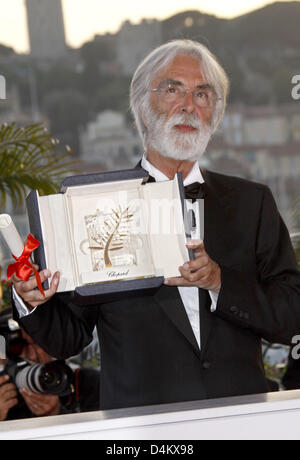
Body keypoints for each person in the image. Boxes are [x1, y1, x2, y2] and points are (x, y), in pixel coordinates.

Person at [11, 39, 300, 410]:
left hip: (241, 419)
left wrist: (220, 283)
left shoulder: (252, 202)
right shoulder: (94, 205)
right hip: (141, 427)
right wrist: (30, 300)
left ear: (216, 112)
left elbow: (292, 313)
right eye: (172, 89)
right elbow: (69, 337)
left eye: (202, 94)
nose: (188, 106)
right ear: (142, 106)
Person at [0, 322, 100, 420]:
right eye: (18, 346)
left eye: (38, 342)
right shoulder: (4, 388)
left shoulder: (86, 382)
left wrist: (56, 413)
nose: (32, 355)